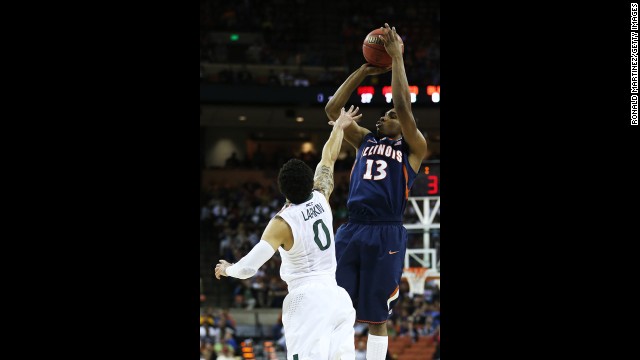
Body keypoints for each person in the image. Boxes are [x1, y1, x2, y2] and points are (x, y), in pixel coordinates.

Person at [215, 106, 363, 360]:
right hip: (338, 297)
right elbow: (328, 158)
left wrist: (227, 268)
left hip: (307, 301)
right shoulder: (321, 196)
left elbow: (249, 268)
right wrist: (339, 127)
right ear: (309, 181)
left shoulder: (281, 223)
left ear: (282, 191)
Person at [324, 23, 429, 360]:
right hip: (352, 227)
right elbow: (332, 110)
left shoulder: (414, 147)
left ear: (405, 123)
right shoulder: (366, 140)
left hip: (386, 230)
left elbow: (402, 103)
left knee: (376, 314)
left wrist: (397, 59)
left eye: (391, 115)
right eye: (384, 113)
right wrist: (363, 70)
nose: (385, 116)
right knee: (334, 303)